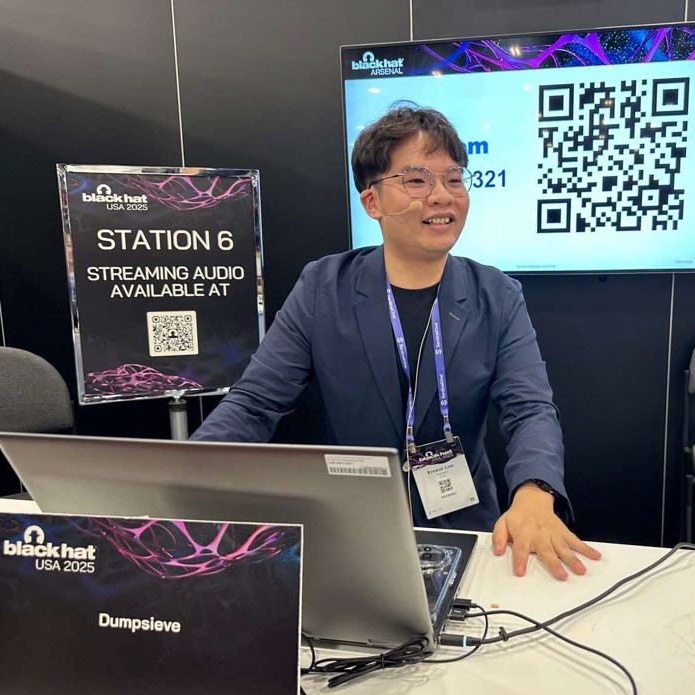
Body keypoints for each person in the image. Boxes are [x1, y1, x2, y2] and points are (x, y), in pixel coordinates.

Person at [193, 104, 600, 580]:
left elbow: (529, 408)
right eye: (416, 181)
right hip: (353, 528)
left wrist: (534, 490)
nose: (442, 196)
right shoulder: (325, 287)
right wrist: (189, 475)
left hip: (468, 529)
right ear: (372, 202)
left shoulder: (497, 294)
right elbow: (256, 402)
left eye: (453, 179)